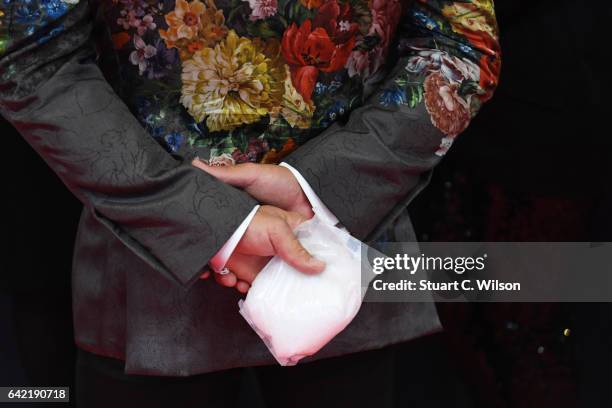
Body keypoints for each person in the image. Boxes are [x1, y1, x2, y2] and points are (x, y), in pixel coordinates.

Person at [0, 0, 500, 406]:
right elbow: (31, 59)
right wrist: (211, 222)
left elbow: (461, 43)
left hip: (345, 253)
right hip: (147, 263)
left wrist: (315, 189)